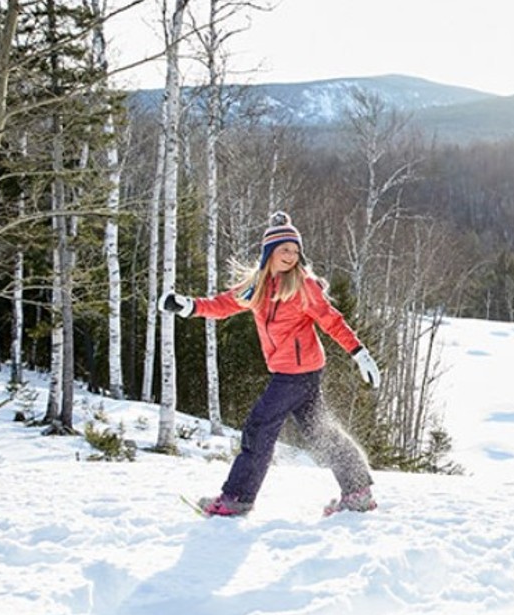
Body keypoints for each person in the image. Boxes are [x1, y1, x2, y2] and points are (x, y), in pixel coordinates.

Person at [161, 211, 383, 517]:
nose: (291, 257)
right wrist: (189, 307)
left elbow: (331, 320)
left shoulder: (304, 285)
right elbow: (225, 304)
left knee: (259, 426)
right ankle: (357, 492)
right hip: (293, 371)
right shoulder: (258, 286)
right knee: (320, 431)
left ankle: (237, 498)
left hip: (298, 372)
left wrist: (359, 352)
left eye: (295, 251)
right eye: (285, 250)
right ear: (269, 253)